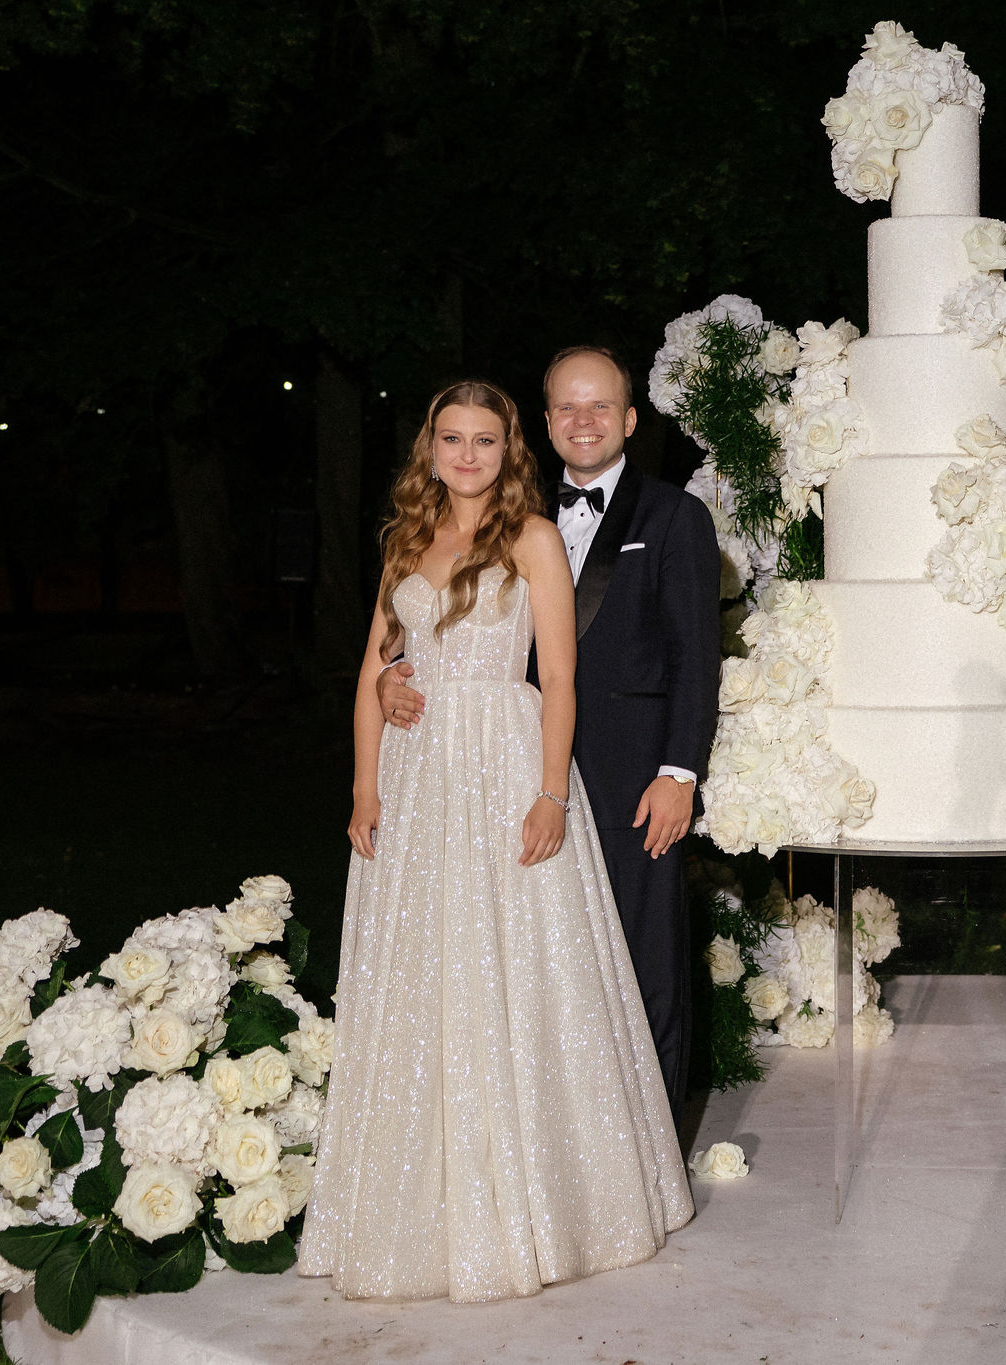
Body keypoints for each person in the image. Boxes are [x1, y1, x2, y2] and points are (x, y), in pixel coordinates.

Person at [300, 380, 692, 1303]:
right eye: (451, 438)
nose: (467, 455)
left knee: (520, 972)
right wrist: (364, 783)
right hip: (417, 772)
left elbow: (558, 677)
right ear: (429, 447)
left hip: (505, 763)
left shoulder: (532, 536)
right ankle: (411, 1205)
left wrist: (551, 791)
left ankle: (540, 1201)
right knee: (421, 972)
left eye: (484, 440)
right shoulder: (405, 536)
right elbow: (375, 669)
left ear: (508, 448)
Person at [377, 348, 720, 1125]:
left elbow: (698, 658)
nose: (584, 421)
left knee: (639, 962)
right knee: (533, 968)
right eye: (568, 406)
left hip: (632, 777)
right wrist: (390, 676)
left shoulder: (672, 516)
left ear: (630, 420)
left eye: (601, 406)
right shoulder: (504, 514)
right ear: (545, 422)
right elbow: (452, 627)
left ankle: (654, 1144)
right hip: (508, 772)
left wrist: (679, 772)